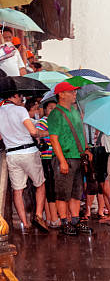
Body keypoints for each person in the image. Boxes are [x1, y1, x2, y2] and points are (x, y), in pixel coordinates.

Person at [47, 82, 93, 236]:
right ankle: (65, 222)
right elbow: (54, 139)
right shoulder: (56, 114)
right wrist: (62, 161)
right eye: (71, 92)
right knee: (62, 193)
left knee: (76, 192)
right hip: (65, 157)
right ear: (61, 94)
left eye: (75, 92)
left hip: (78, 157)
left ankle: (75, 220)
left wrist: (86, 149)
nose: (75, 94)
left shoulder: (75, 111)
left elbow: (81, 133)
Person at [0, 93, 49, 233]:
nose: (22, 100)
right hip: (28, 152)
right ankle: (38, 215)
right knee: (40, 184)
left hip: (11, 154)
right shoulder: (20, 110)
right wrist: (45, 134)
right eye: (20, 97)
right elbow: (33, 131)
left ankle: (25, 223)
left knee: (18, 190)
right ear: (14, 96)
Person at [35, 100, 60, 228]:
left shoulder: (56, 122)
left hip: (55, 157)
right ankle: (52, 218)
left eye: (55, 108)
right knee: (50, 187)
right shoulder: (43, 122)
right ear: (45, 110)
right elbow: (38, 134)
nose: (52, 111)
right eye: (50, 108)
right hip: (46, 158)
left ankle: (51, 217)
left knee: (54, 187)